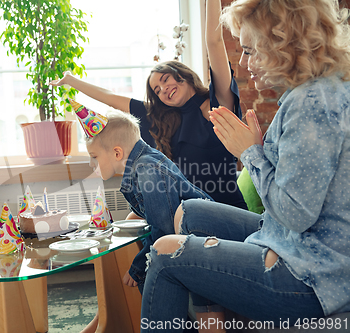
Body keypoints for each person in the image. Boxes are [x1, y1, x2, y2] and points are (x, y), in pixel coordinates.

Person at [140, 0, 350, 332]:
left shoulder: (311, 104)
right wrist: (258, 152)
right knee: (191, 210)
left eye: (250, 50)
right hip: (292, 239)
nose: (243, 62)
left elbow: (296, 214)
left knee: (165, 254)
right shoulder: (309, 94)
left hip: (313, 274)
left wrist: (250, 152)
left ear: (282, 44)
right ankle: (214, 326)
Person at [51, 0, 247, 211]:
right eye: (157, 90)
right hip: (183, 216)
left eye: (164, 80)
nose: (162, 90)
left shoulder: (217, 102)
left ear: (181, 74)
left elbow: (214, 42)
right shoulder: (161, 119)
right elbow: (110, 97)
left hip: (227, 211)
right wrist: (71, 80)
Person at [82, 108, 211, 293]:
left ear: (117, 153)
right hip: (186, 231)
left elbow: (164, 228)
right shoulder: (142, 164)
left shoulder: (147, 170)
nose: (90, 163)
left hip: (201, 234)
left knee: (143, 279)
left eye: (94, 156)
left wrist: (138, 268)